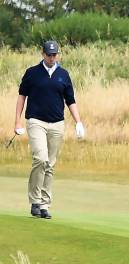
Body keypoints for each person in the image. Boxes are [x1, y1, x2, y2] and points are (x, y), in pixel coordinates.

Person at [14, 40, 85, 219]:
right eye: (49, 54)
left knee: (50, 165)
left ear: (57, 55)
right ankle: (35, 201)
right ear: (42, 54)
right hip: (36, 121)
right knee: (41, 158)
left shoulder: (63, 75)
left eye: (54, 55)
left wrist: (78, 122)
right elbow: (22, 96)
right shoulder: (32, 73)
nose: (52, 58)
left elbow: (70, 100)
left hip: (57, 124)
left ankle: (44, 205)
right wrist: (17, 122)